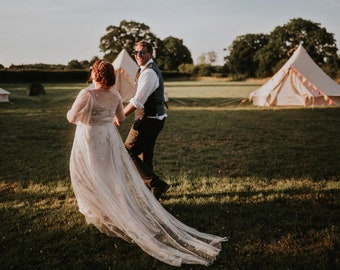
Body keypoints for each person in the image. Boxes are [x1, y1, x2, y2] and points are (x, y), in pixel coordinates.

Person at [67, 60, 227, 267]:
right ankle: (110, 206)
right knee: (110, 172)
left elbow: (71, 117)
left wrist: (88, 115)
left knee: (93, 172)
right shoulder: (115, 95)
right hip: (108, 136)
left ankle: (102, 209)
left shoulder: (86, 94)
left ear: (95, 75)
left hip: (90, 138)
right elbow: (120, 118)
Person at [122, 40, 169, 200]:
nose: (138, 55)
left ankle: (156, 184)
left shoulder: (148, 72)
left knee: (126, 151)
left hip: (149, 119)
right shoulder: (145, 70)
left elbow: (137, 101)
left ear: (150, 54)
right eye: (136, 52)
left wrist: (120, 115)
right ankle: (149, 191)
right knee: (145, 154)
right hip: (155, 118)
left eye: (142, 52)